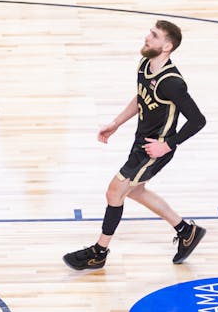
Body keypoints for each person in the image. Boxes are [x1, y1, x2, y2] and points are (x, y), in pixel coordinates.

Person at [62, 21, 207, 271]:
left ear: (167, 47)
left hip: (154, 149)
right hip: (141, 142)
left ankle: (99, 252)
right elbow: (141, 97)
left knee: (115, 191)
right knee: (136, 191)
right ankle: (186, 231)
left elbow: (198, 120)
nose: (147, 37)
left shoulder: (172, 82)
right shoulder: (145, 64)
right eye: (150, 33)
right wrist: (116, 123)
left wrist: (167, 145)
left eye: (154, 36)